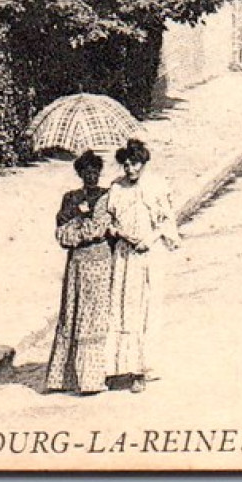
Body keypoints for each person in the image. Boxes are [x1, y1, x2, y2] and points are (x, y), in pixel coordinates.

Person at [105, 139, 180, 391]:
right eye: (125, 164)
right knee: (123, 307)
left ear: (144, 163)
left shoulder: (157, 186)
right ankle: (119, 367)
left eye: (135, 164)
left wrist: (149, 239)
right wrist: (120, 233)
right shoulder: (116, 188)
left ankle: (142, 370)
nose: (130, 169)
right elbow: (110, 221)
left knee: (147, 308)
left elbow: (167, 221)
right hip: (125, 255)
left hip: (150, 254)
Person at [44, 151, 116, 395]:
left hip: (101, 264)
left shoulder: (108, 197)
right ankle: (66, 377)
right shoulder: (70, 198)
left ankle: (93, 378)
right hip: (76, 265)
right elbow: (64, 236)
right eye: (86, 172)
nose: (91, 176)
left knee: (96, 316)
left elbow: (99, 230)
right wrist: (81, 222)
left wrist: (85, 220)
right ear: (79, 173)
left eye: (95, 171)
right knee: (73, 314)